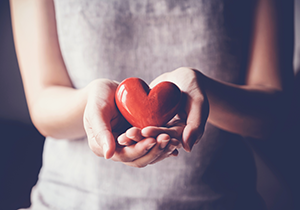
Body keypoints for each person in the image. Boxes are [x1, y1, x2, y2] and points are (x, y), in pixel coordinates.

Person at [10, 0, 293, 209]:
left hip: (220, 200)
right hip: (69, 200)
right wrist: (90, 101)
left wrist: (203, 91)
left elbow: (272, 113)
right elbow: (42, 103)